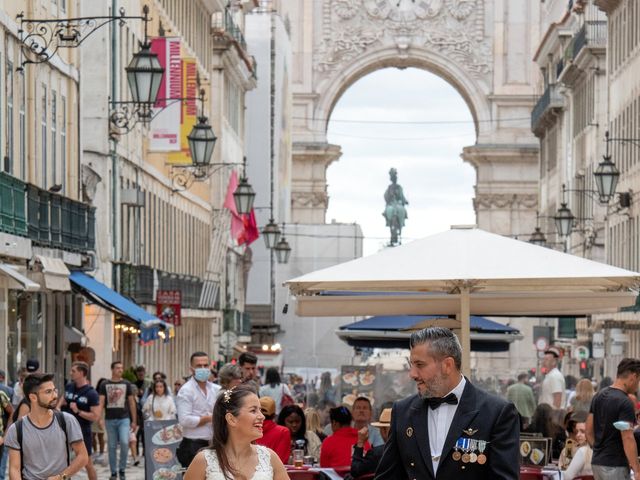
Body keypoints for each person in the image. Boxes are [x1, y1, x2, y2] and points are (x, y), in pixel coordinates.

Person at [375, 326, 520, 479]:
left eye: (420, 365)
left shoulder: (496, 413)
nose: (412, 374)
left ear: (447, 365)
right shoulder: (403, 411)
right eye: (411, 365)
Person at [183, 384, 288, 480]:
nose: (262, 416)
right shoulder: (203, 461)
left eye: (260, 410)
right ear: (231, 419)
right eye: (253, 410)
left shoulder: (269, 458)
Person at [5, 373, 88, 479]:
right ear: (33, 397)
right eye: (48, 392)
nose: (55, 396)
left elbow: (83, 456)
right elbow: (14, 469)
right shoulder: (16, 429)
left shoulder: (67, 420)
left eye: (54, 390)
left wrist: (60, 477)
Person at [586, 357, 640, 480]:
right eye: (639, 381)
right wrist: (637, 470)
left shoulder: (598, 395)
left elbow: (588, 431)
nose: (637, 386)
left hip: (597, 463)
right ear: (633, 377)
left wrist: (599, 450)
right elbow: (627, 437)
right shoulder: (625, 402)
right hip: (615, 465)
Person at [176, 351, 221, 468]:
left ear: (210, 366)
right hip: (193, 445)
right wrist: (209, 418)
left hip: (214, 444)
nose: (203, 368)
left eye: (205, 365)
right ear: (191, 369)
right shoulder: (186, 391)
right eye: (199, 366)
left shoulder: (216, 389)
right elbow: (184, 420)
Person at [58, 361, 101, 480]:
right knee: (61, 462)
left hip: (82, 430)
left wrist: (78, 411)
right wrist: (58, 407)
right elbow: (61, 400)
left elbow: (95, 416)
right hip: (64, 429)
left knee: (87, 463)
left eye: (73, 371)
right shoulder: (69, 387)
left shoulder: (91, 393)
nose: (71, 373)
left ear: (82, 373)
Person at [98, 360, 137, 480]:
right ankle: (113, 472)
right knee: (111, 446)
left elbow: (131, 403)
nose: (120, 370)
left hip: (124, 419)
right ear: (112, 369)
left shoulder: (127, 384)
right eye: (118, 368)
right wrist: (99, 418)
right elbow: (101, 402)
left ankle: (122, 469)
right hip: (110, 419)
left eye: (121, 368)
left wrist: (134, 420)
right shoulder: (104, 384)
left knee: (125, 442)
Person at [351, 407, 391, 478]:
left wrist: (360, 443)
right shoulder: (410, 449)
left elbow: (355, 471)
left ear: (383, 431)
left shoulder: (376, 453)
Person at [255, 397, 290, 464]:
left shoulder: (248, 430)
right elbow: (282, 460)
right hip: (273, 472)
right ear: (274, 415)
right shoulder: (283, 432)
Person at [91, 378, 108, 466]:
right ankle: (95, 452)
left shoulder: (107, 394)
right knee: (93, 434)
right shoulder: (95, 393)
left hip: (103, 413)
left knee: (101, 434)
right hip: (95, 412)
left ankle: (101, 453)